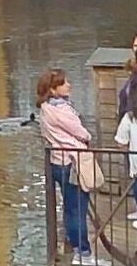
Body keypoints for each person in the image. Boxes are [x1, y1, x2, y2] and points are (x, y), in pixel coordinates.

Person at [37, 70, 96, 255]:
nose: (69, 85)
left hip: (58, 161)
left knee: (70, 206)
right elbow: (80, 132)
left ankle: (73, 242)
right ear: (53, 90)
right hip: (71, 162)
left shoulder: (45, 109)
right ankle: (82, 249)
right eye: (64, 83)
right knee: (78, 207)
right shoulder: (61, 110)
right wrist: (88, 136)